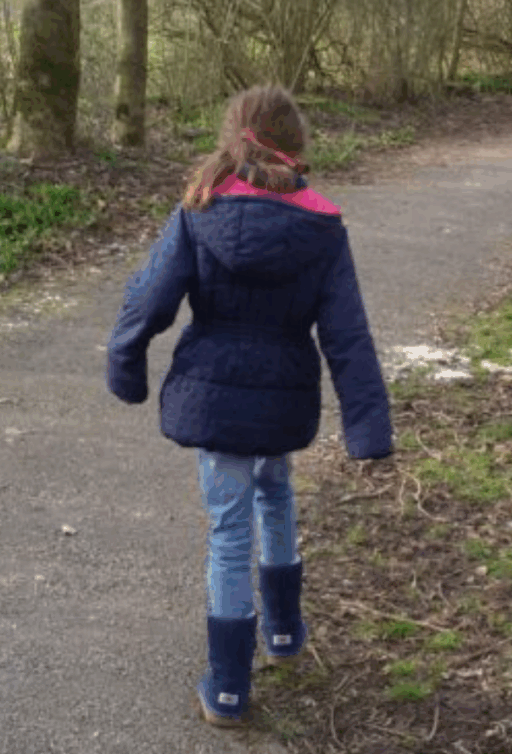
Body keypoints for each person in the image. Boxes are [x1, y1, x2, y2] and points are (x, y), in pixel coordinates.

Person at [106, 84, 393, 727]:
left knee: (230, 532)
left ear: (231, 139)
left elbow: (149, 299)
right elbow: (347, 335)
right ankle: (286, 632)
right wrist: (368, 429)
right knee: (276, 490)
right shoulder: (322, 224)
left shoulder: (199, 208)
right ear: (296, 149)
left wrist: (125, 363)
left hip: (215, 399)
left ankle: (230, 687)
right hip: (282, 399)